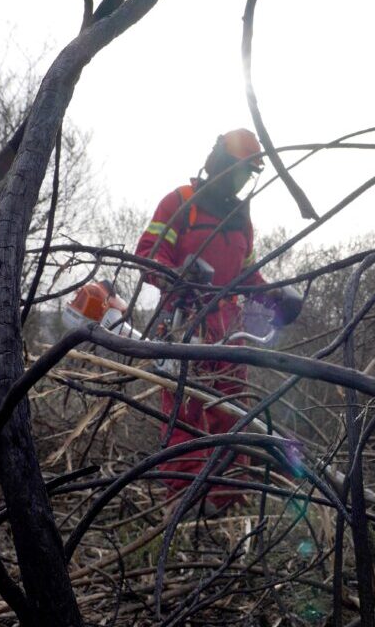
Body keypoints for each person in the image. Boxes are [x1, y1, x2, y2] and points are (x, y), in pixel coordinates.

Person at [134, 128, 297, 513]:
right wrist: (179, 276)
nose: (242, 181)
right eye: (240, 170)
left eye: (249, 174)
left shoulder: (241, 219)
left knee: (232, 414)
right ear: (222, 163)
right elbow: (148, 255)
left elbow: (246, 276)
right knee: (184, 416)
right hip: (183, 326)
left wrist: (275, 297)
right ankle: (185, 501)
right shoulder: (180, 202)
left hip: (229, 333)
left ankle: (225, 499)